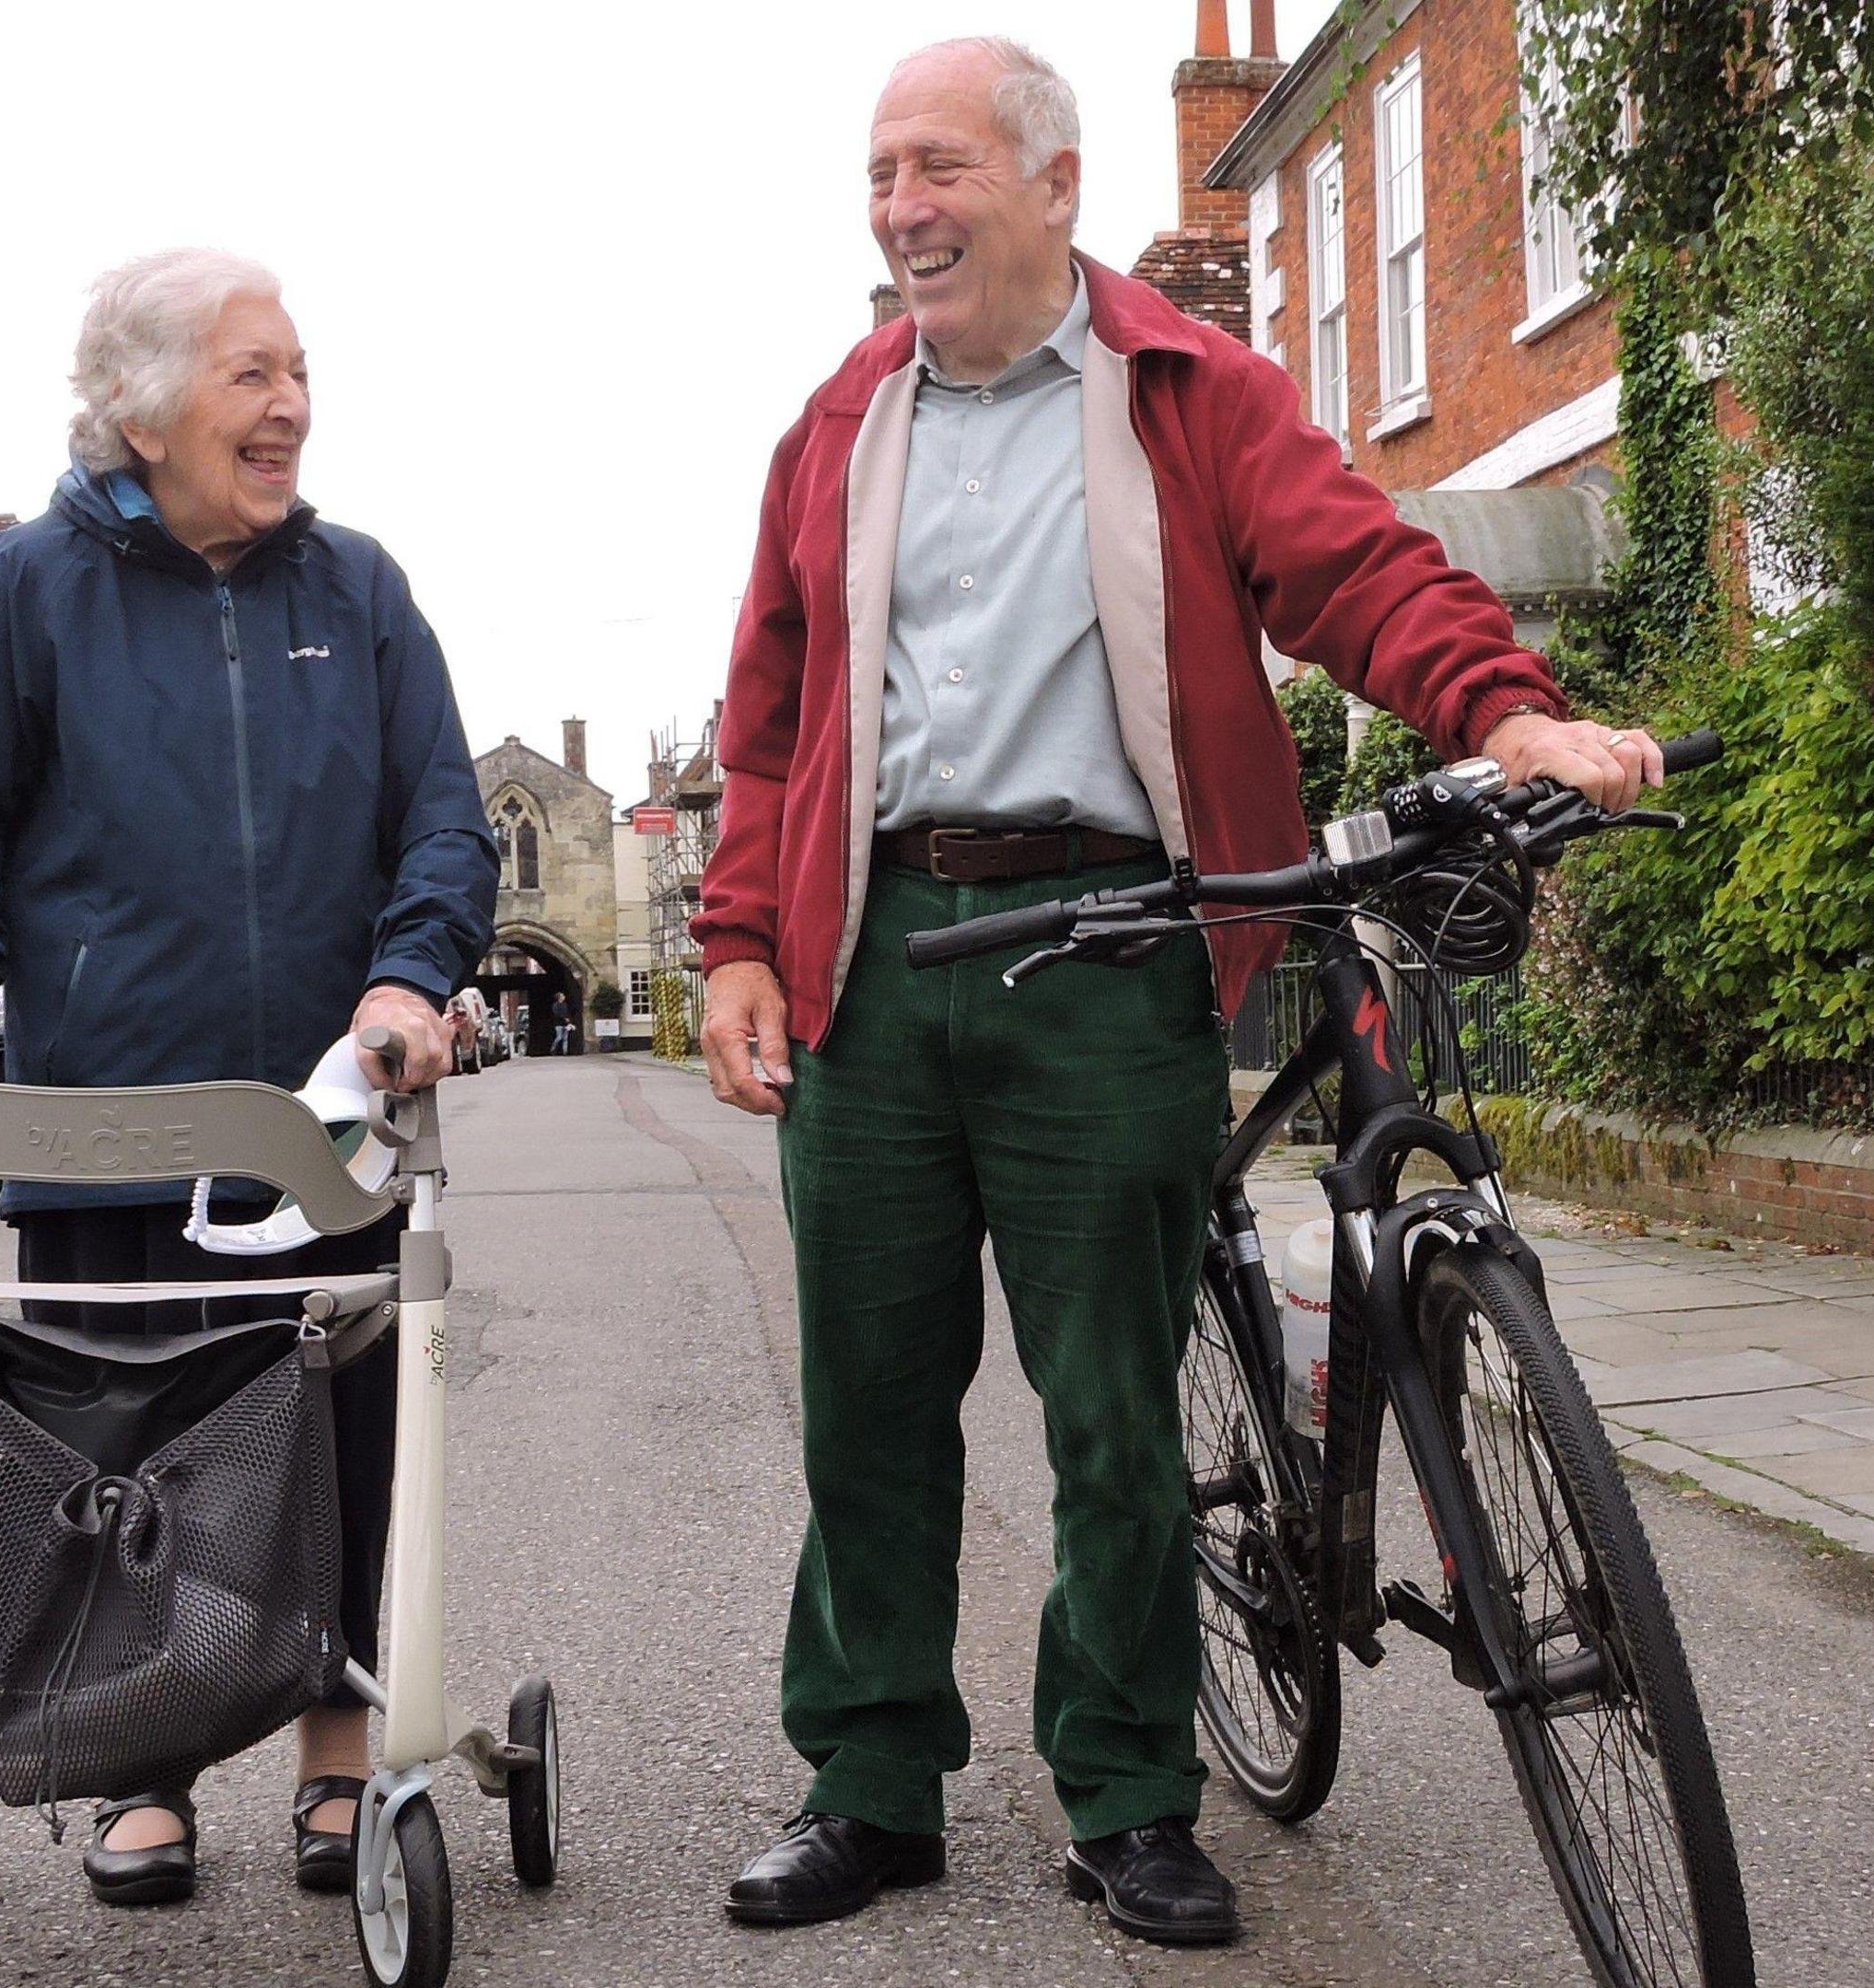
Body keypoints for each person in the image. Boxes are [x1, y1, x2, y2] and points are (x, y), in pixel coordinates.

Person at [691, 38, 1662, 1949]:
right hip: (875, 964)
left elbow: (1358, 573)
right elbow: (769, 715)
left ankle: (1129, 1790)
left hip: (1116, 939)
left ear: (1052, 186)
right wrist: (736, 939)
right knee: (870, 1407)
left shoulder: (1188, 394)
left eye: (940, 168)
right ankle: (872, 1778)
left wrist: (1508, 708)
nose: (903, 209)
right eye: (882, 174)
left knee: (1116, 1412)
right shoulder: (836, 424)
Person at [0, 247, 498, 1908]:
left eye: (297, 371)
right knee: (124, 1449)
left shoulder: (357, 591)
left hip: (319, 1107)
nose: (290, 404)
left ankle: (338, 1744)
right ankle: (142, 1768)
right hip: (106, 1118)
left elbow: (441, 811)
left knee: (337, 1422)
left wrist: (410, 972)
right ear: (144, 412)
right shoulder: (29, 591)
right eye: (251, 375)